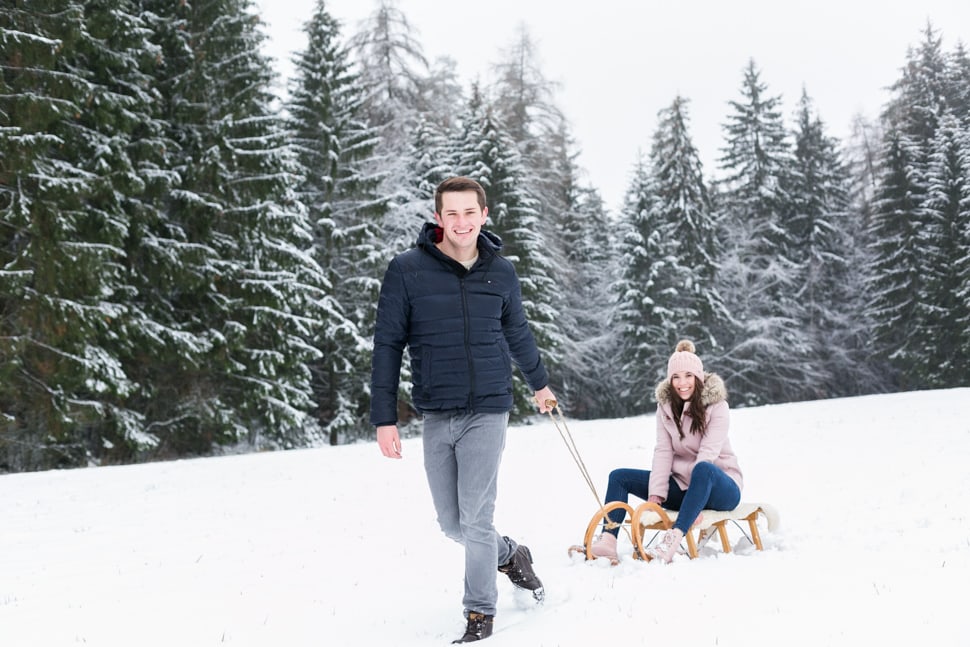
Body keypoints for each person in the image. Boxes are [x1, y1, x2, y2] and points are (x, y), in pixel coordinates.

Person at [371, 176, 556, 643]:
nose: (461, 222)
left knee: (476, 517)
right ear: (438, 218)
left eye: (469, 212)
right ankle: (511, 554)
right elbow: (388, 344)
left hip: (490, 407)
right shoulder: (407, 270)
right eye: (451, 213)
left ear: (484, 215)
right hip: (436, 409)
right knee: (452, 523)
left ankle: (480, 612)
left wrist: (540, 384)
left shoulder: (501, 271)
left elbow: (518, 333)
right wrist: (384, 417)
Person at [589, 339, 743, 563]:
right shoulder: (666, 408)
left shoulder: (718, 407)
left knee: (703, 468)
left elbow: (708, 453)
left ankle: (674, 538)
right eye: (676, 377)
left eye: (688, 376)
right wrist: (655, 495)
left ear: (698, 377)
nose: (682, 383)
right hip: (683, 487)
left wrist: (695, 501)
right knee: (619, 477)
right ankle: (608, 540)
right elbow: (663, 451)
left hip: (721, 487)